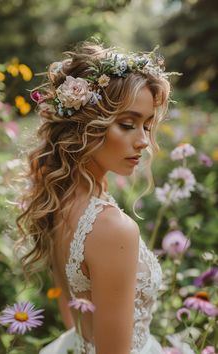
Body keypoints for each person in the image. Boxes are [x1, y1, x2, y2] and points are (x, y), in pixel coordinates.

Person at [17, 41, 173, 354]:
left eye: (146, 125)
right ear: (86, 125)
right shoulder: (112, 228)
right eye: (127, 124)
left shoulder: (58, 201)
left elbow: (72, 311)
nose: (144, 141)